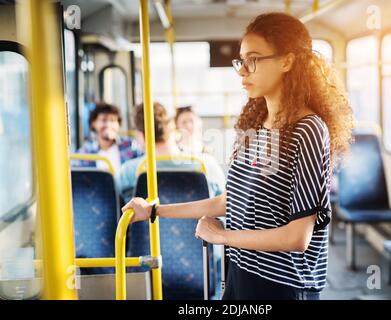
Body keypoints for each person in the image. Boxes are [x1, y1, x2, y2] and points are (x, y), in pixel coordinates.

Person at [122, 12, 352, 300]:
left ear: (287, 61)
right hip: (242, 270)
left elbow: (297, 237)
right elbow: (230, 201)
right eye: (240, 61)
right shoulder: (257, 125)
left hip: (282, 285)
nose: (243, 70)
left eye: (253, 59)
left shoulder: (307, 130)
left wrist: (222, 237)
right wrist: (154, 211)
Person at [117, 102, 225, 203]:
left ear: (140, 135)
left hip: (148, 223)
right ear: (172, 128)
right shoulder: (206, 164)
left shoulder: (128, 172)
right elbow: (224, 207)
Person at [75, 102, 142, 173]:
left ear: (118, 124)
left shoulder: (132, 147)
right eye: (104, 120)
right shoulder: (84, 154)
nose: (108, 125)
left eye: (112, 120)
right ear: (93, 123)